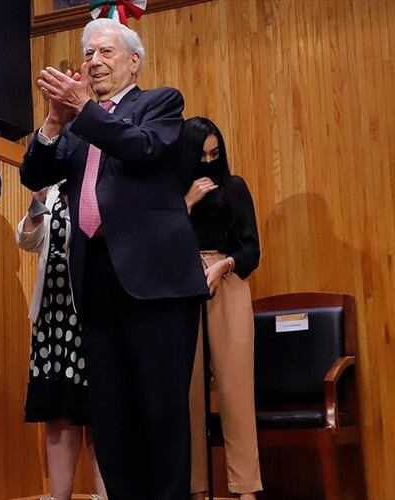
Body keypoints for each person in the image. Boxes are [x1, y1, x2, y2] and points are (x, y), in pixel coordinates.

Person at [19, 18, 208, 500]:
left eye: (106, 52)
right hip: (95, 277)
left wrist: (82, 110)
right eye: (88, 54)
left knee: (160, 410)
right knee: (110, 411)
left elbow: (143, 148)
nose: (94, 61)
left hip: (157, 282)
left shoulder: (160, 103)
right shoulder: (78, 125)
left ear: (134, 61)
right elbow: (35, 175)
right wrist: (54, 121)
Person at [183, 117, 262, 500]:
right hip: (183, 282)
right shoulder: (172, 191)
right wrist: (186, 202)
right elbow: (160, 240)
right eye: (201, 156)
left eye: (215, 154)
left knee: (235, 387)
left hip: (227, 279)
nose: (209, 163)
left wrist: (224, 265)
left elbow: (251, 249)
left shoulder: (235, 187)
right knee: (189, 392)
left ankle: (246, 490)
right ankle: (196, 489)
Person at [16, 183, 108, 500]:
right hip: (53, 312)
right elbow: (27, 240)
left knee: (99, 405)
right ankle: (59, 496)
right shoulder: (54, 192)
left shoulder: (100, 184)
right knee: (58, 406)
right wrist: (37, 202)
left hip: (95, 310)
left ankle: (105, 494)